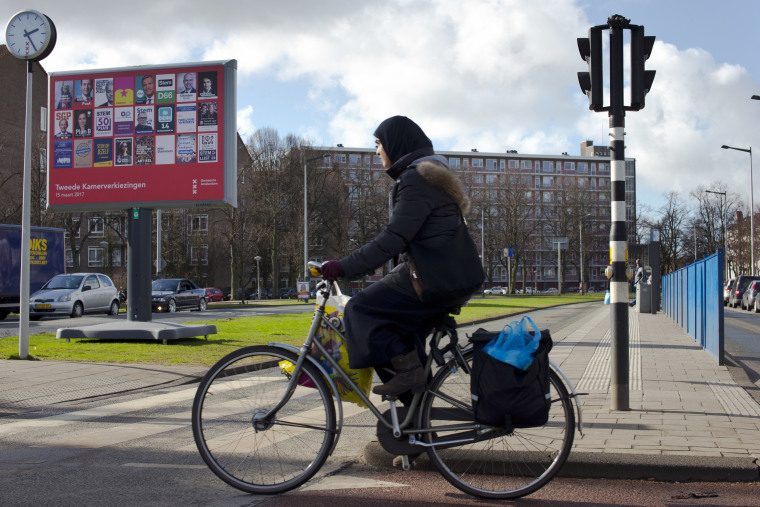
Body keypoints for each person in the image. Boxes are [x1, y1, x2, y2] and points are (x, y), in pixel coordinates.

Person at [321, 115, 480, 399]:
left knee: (360, 310)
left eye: (379, 143)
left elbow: (393, 239)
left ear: (395, 143)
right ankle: (415, 425)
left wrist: (343, 267)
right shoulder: (427, 176)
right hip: (444, 276)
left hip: (431, 277)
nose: (377, 151)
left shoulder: (417, 180)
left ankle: (409, 376)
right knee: (402, 335)